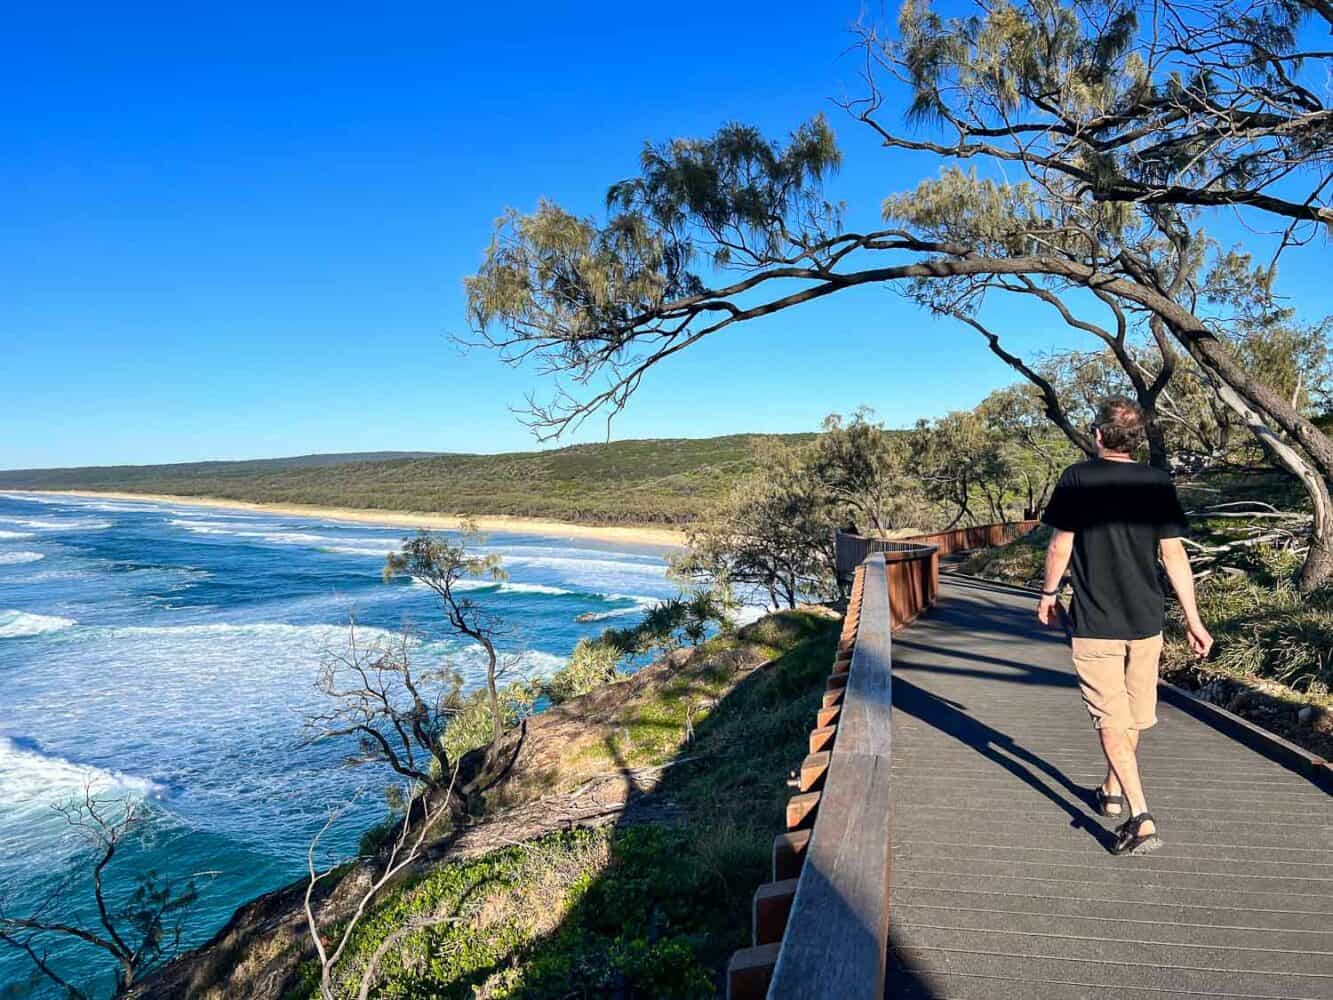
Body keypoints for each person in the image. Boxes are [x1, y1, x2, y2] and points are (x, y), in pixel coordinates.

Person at [1036, 397, 1212, 856]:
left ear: (1098, 435)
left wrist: (1049, 594)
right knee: (1132, 715)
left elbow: (1060, 546)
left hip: (1097, 619)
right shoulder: (1157, 481)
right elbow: (1174, 555)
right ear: (1136, 440)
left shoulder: (1077, 478)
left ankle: (1142, 817)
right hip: (1146, 619)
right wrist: (1193, 620)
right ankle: (1112, 792)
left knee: (1111, 719)